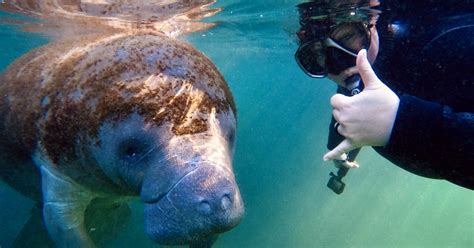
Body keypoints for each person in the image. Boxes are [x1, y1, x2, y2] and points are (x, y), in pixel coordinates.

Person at [295, 0, 474, 190]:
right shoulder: (361, 71)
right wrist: (341, 150)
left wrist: (400, 123)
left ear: (371, 25)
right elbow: (355, 103)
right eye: (319, 56)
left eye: (348, 37)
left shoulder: (451, 44)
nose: (339, 65)